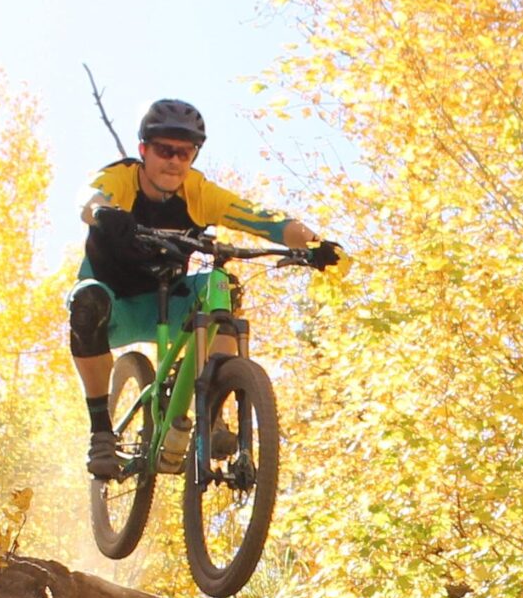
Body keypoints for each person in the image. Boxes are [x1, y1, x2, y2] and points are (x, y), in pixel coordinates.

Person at [69, 97, 328, 477]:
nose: (174, 161)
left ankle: (213, 416)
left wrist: (316, 244)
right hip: (114, 304)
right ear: (143, 150)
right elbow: (89, 200)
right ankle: (102, 435)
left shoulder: (198, 192)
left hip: (170, 301)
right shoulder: (121, 179)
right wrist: (105, 213)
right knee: (86, 301)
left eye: (185, 152)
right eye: (164, 150)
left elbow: (265, 220)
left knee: (222, 286)